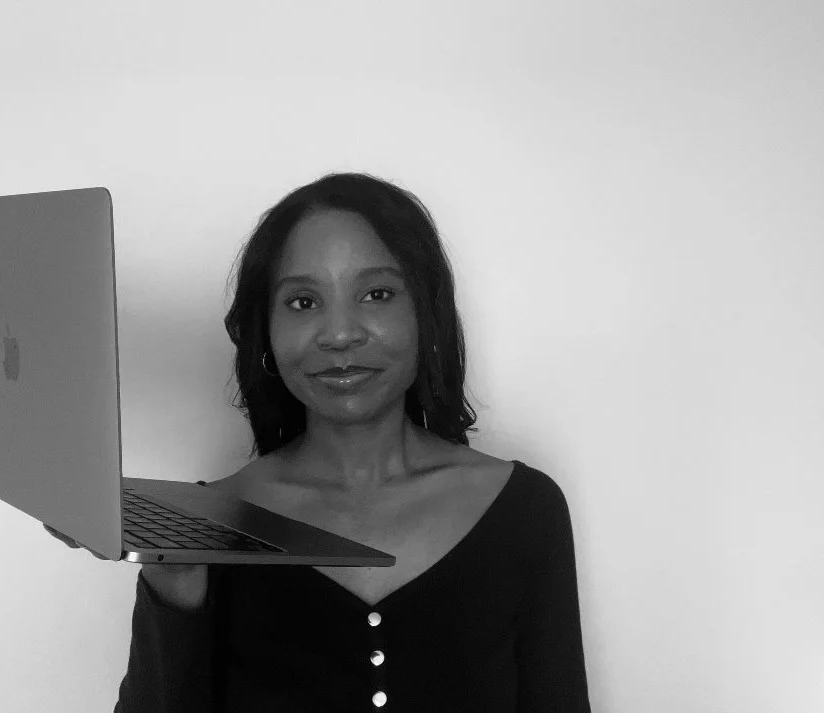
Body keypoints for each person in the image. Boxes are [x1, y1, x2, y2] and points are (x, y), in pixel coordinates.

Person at [47, 172, 590, 711]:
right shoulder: (207, 526)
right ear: (267, 330)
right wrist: (174, 582)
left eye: (377, 294)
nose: (340, 334)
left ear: (426, 313)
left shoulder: (525, 509)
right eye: (303, 302)